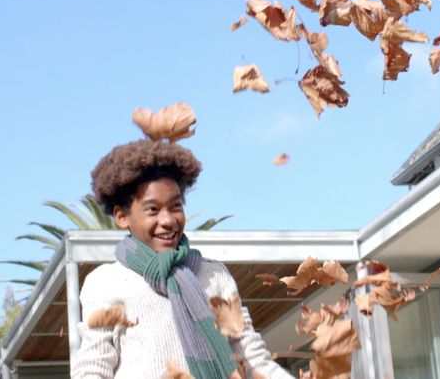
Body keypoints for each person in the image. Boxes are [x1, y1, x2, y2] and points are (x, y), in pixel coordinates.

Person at [69, 139, 294, 379]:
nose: (167, 220)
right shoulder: (106, 283)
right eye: (152, 210)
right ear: (122, 216)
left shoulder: (214, 276)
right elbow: (93, 369)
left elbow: (253, 359)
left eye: (175, 206)